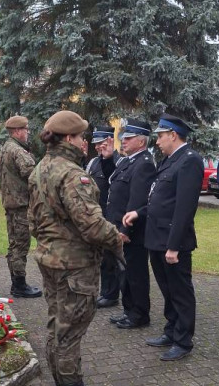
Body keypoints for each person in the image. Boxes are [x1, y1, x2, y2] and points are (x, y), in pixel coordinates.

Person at [28, 110, 124, 386]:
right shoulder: (72, 175)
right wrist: (117, 238)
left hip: (50, 260)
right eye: (81, 136)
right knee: (69, 332)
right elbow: (92, 226)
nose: (85, 142)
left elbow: (33, 221)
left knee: (58, 325)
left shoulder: (41, 168)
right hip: (74, 266)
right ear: (69, 138)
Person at [123, 113, 204, 361]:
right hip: (156, 239)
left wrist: (174, 246)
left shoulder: (189, 161)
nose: (157, 141)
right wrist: (138, 212)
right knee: (167, 290)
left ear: (173, 135)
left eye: (160, 136)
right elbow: (159, 200)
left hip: (172, 243)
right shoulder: (170, 160)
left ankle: (183, 340)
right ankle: (171, 330)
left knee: (180, 291)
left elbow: (184, 208)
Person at [106, 118, 156, 329]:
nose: (123, 141)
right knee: (123, 272)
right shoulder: (128, 160)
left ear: (141, 141)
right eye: (123, 137)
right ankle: (128, 310)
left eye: (128, 138)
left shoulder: (144, 163)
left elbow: (137, 200)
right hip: (118, 226)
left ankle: (139, 314)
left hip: (131, 231)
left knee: (135, 274)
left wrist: (126, 229)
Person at [0, 115, 42, 299]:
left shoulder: (6, 147)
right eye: (25, 130)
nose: (28, 133)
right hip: (21, 205)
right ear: (17, 131)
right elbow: (33, 175)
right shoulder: (17, 151)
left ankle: (16, 283)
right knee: (20, 246)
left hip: (11, 204)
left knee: (14, 244)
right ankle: (19, 285)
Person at [87, 126, 121, 308]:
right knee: (101, 257)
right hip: (95, 215)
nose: (99, 147)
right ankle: (105, 291)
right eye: (96, 144)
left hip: (110, 215)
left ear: (109, 140)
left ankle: (111, 294)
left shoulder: (119, 160)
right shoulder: (93, 162)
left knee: (111, 257)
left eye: (101, 143)